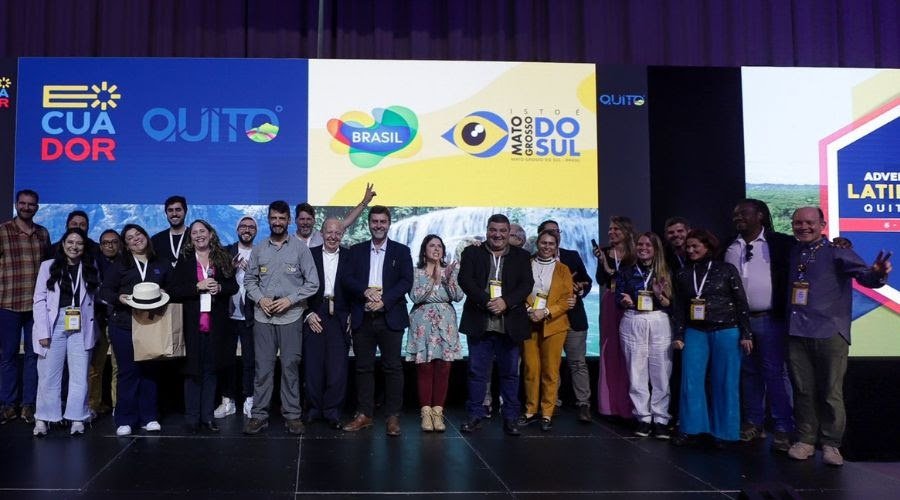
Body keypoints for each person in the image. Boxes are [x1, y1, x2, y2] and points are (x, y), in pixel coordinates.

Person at [785, 207, 892, 466]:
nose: (803, 227)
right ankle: (805, 440)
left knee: (830, 392)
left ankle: (831, 444)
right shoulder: (793, 250)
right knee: (802, 390)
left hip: (830, 331)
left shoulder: (838, 250)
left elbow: (866, 277)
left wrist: (878, 274)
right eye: (798, 223)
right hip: (796, 331)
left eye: (809, 222)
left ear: (822, 224)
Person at [724, 199, 795, 451]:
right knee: (749, 373)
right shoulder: (729, 246)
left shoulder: (781, 243)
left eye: (743, 213)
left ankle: (783, 427)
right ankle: (754, 423)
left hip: (770, 320)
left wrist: (840, 243)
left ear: (760, 215)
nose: (738, 217)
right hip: (739, 322)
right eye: (735, 214)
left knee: (775, 373)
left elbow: (811, 251)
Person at [243, 201, 319, 435]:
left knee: (290, 367)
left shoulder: (300, 249)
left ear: (289, 221)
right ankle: (259, 415)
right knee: (263, 368)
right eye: (273, 218)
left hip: (291, 316)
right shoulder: (259, 249)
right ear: (268, 219)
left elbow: (313, 283)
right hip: (263, 317)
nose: (277, 222)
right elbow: (249, 280)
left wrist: (290, 300)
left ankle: (292, 415)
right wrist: (260, 299)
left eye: (281, 218)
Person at [671, 229, 753, 446]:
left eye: (695, 246)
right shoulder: (682, 274)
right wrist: (679, 334)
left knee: (726, 381)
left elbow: (741, 302)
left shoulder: (726, 269)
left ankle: (725, 432)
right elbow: (679, 307)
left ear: (708, 247)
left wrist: (746, 333)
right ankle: (691, 429)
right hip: (695, 331)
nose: (690, 250)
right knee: (691, 380)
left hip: (727, 330)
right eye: (688, 246)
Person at [458, 214, 534, 436]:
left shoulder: (522, 256)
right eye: (493, 230)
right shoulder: (472, 252)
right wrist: (487, 301)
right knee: (476, 373)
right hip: (480, 321)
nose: (497, 235)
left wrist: (505, 302)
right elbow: (465, 280)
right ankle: (475, 416)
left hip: (509, 324)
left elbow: (526, 284)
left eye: (502, 231)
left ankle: (510, 418)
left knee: (510, 374)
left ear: (509, 233)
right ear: (487, 230)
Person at [342, 206, 413, 436]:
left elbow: (406, 281)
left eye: (383, 221)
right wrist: (364, 291)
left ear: (388, 224)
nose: (378, 225)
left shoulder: (401, 251)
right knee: (363, 368)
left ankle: (393, 416)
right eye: (375, 221)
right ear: (369, 223)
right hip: (363, 317)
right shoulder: (356, 250)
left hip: (390, 316)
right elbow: (347, 278)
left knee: (393, 368)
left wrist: (384, 300)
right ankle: (365, 414)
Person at [169, 220, 239, 433]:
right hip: (192, 326)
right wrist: (196, 287)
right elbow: (173, 290)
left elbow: (233, 286)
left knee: (211, 371)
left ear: (210, 234)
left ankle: (207, 417)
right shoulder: (185, 260)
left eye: (202, 231)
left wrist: (220, 287)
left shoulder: (222, 257)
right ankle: (192, 418)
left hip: (216, 326)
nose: (199, 235)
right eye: (194, 233)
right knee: (193, 372)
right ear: (190, 238)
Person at [100, 224, 170, 436]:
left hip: (152, 324)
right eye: (130, 238)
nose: (136, 239)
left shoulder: (161, 263)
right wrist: (118, 298)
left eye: (138, 234)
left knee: (150, 371)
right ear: (126, 245)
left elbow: (172, 287)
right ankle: (125, 419)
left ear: (146, 236)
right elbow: (105, 290)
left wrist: (166, 291)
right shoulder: (120, 264)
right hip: (123, 324)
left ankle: (149, 417)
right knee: (128, 372)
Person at [31, 228, 100, 436]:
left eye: (79, 243)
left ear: (84, 246)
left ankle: (77, 417)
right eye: (70, 242)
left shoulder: (90, 266)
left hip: (81, 323)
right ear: (62, 244)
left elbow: (95, 296)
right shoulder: (48, 266)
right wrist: (43, 331)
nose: (74, 246)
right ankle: (43, 418)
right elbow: (39, 299)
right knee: (48, 374)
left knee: (80, 374)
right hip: (54, 323)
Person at [616, 232, 674, 439]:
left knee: (661, 371)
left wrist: (659, 295)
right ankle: (643, 417)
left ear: (656, 248)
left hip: (659, 320)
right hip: (633, 318)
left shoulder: (665, 271)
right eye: (640, 244)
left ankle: (661, 419)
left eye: (648, 245)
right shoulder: (626, 270)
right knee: (636, 371)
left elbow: (672, 304)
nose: (643, 248)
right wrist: (624, 301)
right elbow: (617, 298)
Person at [0, 189, 51, 424]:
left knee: (34, 356)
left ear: (37, 207)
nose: (26, 208)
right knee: (8, 355)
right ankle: (8, 404)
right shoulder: (3, 231)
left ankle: (28, 404)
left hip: (36, 307)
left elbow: (47, 268)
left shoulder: (43, 233)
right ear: (16, 205)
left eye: (31, 204)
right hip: (7, 303)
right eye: (23, 203)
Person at [406, 234, 463, 432]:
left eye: (439, 246)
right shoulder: (416, 272)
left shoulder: (450, 270)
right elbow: (415, 296)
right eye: (432, 245)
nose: (436, 249)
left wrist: (448, 278)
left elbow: (458, 296)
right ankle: (426, 414)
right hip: (423, 322)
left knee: (444, 367)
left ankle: (438, 414)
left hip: (446, 323)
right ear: (424, 250)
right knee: (425, 367)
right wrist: (433, 279)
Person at [538, 219, 593, 422]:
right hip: (549, 318)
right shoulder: (534, 260)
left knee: (578, 363)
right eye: (549, 231)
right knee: (550, 363)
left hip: (573, 318)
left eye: (556, 231)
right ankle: (552, 402)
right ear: (540, 236)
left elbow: (587, 281)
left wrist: (581, 288)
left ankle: (583, 404)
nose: (554, 234)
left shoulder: (572, 256)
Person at [520, 229, 573, 432]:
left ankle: (547, 412)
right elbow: (519, 291)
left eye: (551, 243)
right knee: (531, 369)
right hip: (529, 322)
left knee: (551, 370)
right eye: (544, 243)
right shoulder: (526, 265)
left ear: (556, 246)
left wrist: (546, 312)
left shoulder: (563, 269)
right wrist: (529, 310)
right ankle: (530, 410)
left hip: (555, 325)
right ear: (537, 243)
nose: (547, 247)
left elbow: (567, 299)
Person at [302, 218, 351, 429]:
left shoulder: (350, 256)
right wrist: (307, 313)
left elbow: (357, 287)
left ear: (342, 235)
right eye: (329, 232)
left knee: (337, 368)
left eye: (337, 233)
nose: (333, 236)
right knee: (313, 366)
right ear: (321, 233)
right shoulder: (308, 255)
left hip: (340, 314)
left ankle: (332, 411)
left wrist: (352, 314)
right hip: (315, 312)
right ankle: (314, 409)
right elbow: (297, 285)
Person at [214, 216, 258, 420]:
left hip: (251, 315)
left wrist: (254, 273)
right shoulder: (224, 252)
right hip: (227, 315)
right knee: (226, 360)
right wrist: (229, 270)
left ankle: (249, 398)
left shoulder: (261, 252)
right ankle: (227, 400)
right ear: (237, 229)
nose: (247, 230)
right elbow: (215, 279)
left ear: (256, 231)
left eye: (251, 227)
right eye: (243, 226)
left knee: (250, 360)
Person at [593, 215, 636, 419]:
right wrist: (602, 262)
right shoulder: (604, 252)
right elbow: (601, 280)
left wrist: (610, 269)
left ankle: (629, 405)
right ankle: (609, 405)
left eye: (616, 229)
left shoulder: (635, 253)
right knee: (610, 348)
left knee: (630, 350)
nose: (611, 232)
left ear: (626, 231)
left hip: (631, 300)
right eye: (610, 229)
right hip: (611, 301)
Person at [88, 229, 121, 418]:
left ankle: (118, 405)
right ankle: (93, 405)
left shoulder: (126, 264)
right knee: (95, 366)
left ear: (120, 244)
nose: (110, 246)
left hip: (118, 320)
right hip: (98, 321)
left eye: (114, 242)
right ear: (100, 246)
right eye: (106, 243)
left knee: (119, 367)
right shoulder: (93, 265)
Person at [663, 216, 691, 426]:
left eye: (680, 231)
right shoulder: (666, 259)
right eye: (671, 233)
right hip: (674, 318)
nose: (676, 236)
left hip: (699, 320)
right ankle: (677, 414)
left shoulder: (699, 255)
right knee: (677, 369)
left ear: (689, 231)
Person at [294, 183, 377, 247]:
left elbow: (347, 222)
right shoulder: (290, 241)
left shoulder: (322, 236)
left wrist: (365, 202)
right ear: (296, 220)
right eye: (302, 219)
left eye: (308, 219)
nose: (305, 222)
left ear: (314, 221)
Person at [151, 195, 188, 268]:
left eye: (178, 210)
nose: (174, 214)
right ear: (166, 213)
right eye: (170, 210)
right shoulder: (156, 240)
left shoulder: (194, 237)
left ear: (185, 211)